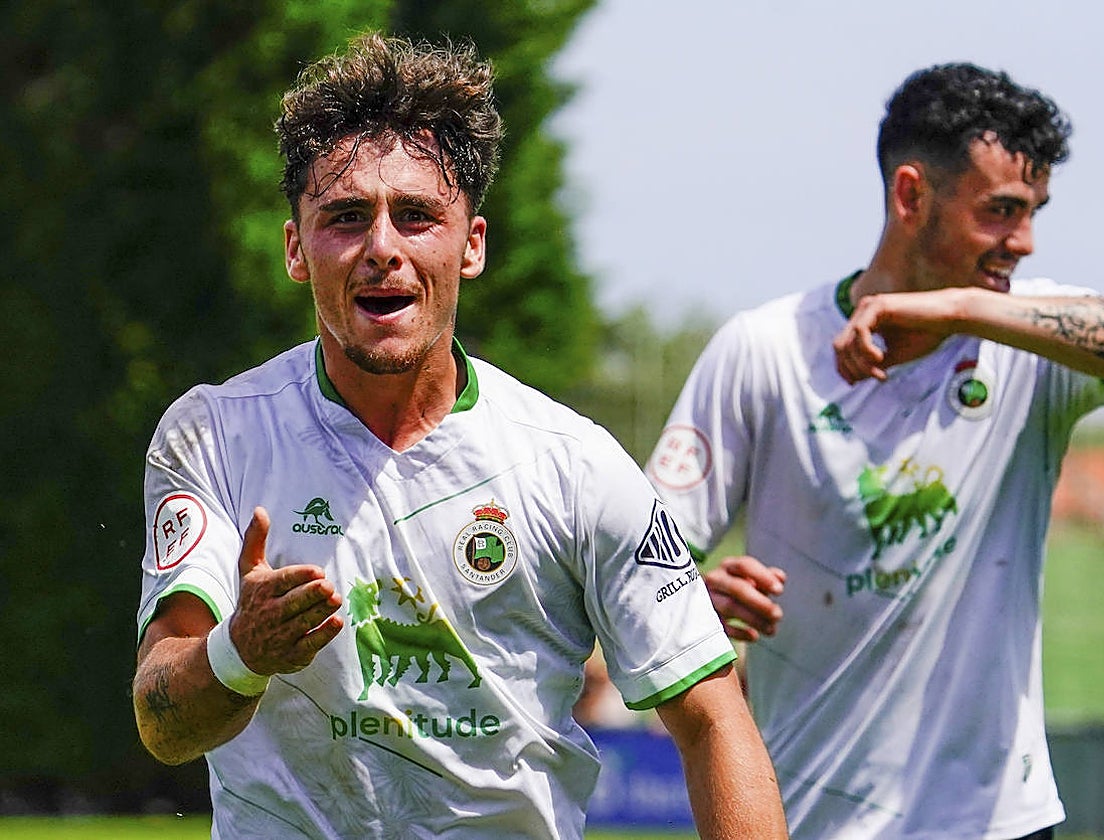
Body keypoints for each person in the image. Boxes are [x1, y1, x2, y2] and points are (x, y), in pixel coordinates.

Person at [131, 32, 786, 840]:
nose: (382, 249)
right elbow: (161, 723)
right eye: (344, 218)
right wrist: (241, 651)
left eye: (415, 216)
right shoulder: (216, 434)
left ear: (470, 244)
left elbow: (715, 720)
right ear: (296, 249)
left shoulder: (572, 464)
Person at [645, 62, 1104, 839]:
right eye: (1001, 212)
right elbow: (640, 566)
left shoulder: (1028, 332)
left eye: (1035, 212)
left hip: (999, 822)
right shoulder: (763, 348)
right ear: (911, 196)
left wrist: (966, 309)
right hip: (808, 817)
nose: (1025, 242)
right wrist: (695, 596)